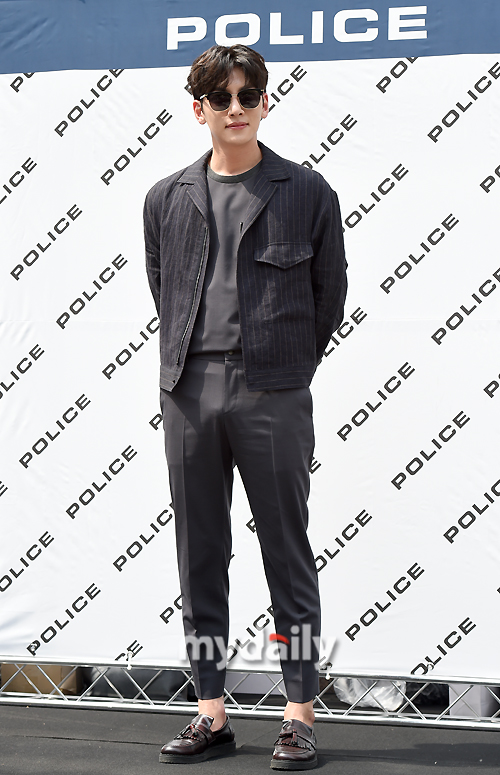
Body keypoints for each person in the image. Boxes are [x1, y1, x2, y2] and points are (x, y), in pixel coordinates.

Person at [144, 44, 347, 770]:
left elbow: (329, 297)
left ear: (265, 102)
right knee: (199, 551)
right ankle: (210, 710)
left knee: (286, 550)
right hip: (189, 391)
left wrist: (284, 369)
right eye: (222, 98)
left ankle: (299, 712)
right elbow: (164, 286)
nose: (236, 109)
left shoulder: (307, 191)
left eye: (248, 95)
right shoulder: (166, 197)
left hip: (274, 391)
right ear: (198, 108)